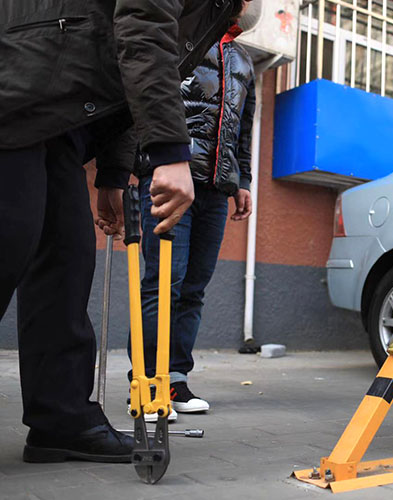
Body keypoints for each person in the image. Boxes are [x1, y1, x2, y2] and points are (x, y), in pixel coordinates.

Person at [0, 0, 250, 463]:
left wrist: (113, 174)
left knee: (68, 258)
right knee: (10, 236)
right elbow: (141, 30)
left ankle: (61, 419)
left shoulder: (222, 14)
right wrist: (170, 149)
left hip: (63, 116)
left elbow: (132, 75)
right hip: (21, 81)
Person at [130, 17, 255, 420]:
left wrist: (243, 180)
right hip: (169, 175)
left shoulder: (243, 60)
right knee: (163, 282)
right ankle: (148, 381)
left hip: (216, 188)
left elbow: (243, 129)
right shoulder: (181, 34)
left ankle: (175, 379)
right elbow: (146, 93)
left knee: (193, 288)